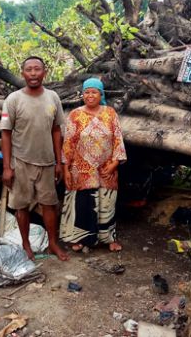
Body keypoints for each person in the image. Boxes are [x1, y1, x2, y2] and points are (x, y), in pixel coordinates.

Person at [0, 56, 69, 261]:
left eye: (37, 69)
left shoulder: (53, 97)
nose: (33, 73)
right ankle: (26, 245)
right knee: (21, 206)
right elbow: (5, 133)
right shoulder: (13, 99)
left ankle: (53, 244)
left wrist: (58, 162)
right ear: (23, 73)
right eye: (29, 69)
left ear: (44, 72)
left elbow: (57, 131)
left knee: (49, 204)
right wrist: (7, 167)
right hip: (21, 161)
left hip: (47, 163)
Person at [60, 78, 127, 252]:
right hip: (81, 170)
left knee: (107, 204)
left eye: (94, 92)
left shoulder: (110, 113)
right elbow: (68, 143)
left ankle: (108, 239)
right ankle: (81, 239)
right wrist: (65, 169)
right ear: (82, 95)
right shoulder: (75, 115)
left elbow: (118, 139)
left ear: (101, 94)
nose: (90, 95)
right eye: (87, 92)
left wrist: (114, 164)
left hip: (106, 169)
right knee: (82, 205)